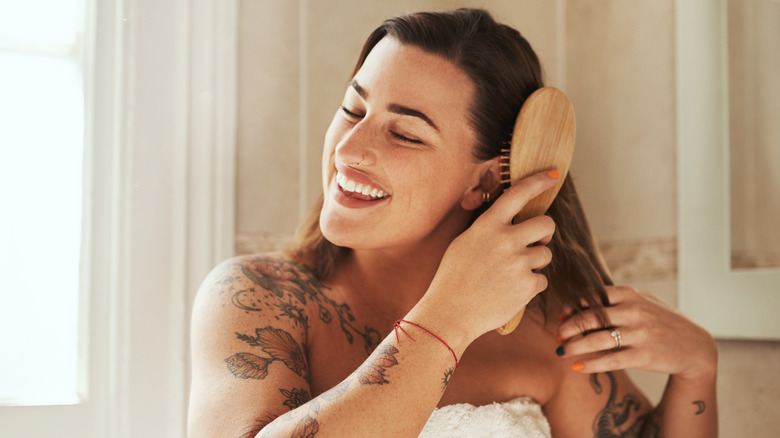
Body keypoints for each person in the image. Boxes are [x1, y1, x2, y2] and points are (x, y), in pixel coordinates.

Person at [188, 8, 717, 438]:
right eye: (353, 110)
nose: (349, 150)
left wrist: (698, 369)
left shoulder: (548, 329)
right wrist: (449, 318)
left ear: (483, 182)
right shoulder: (258, 299)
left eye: (406, 134)